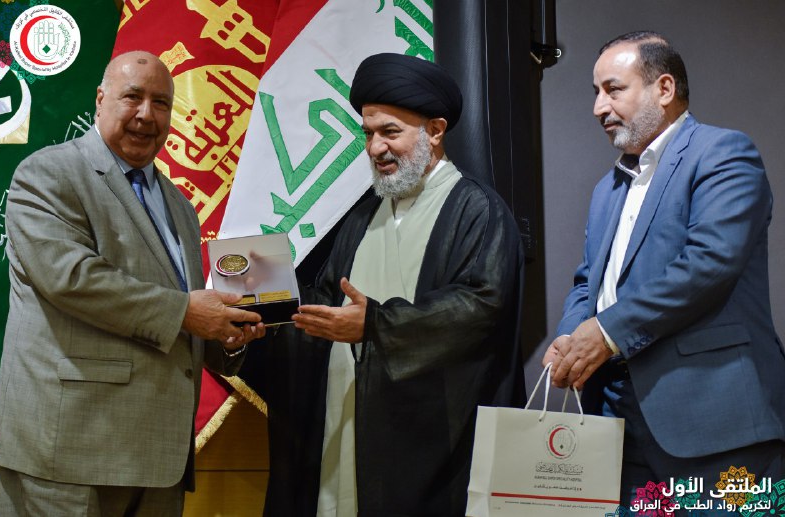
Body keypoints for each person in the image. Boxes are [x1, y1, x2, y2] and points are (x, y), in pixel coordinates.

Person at [0, 51, 266, 516]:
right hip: (69, 453)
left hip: (157, 460)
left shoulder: (180, 206)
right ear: (100, 99)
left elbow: (183, 317)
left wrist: (227, 335)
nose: (146, 114)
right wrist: (187, 312)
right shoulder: (48, 173)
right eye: (132, 97)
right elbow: (72, 279)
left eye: (161, 103)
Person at [255, 53, 525, 516]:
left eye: (390, 132)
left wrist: (376, 325)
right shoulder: (363, 215)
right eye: (368, 133)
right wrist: (260, 311)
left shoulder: (478, 210)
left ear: (435, 131)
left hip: (431, 445)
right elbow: (325, 303)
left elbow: (480, 309)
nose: (375, 148)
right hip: (346, 420)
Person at [544, 31, 785, 506]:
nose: (598, 107)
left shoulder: (724, 153)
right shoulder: (607, 188)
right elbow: (589, 282)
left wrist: (605, 333)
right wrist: (572, 336)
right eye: (595, 92)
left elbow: (709, 263)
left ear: (665, 89)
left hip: (714, 422)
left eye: (613, 89)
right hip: (616, 418)